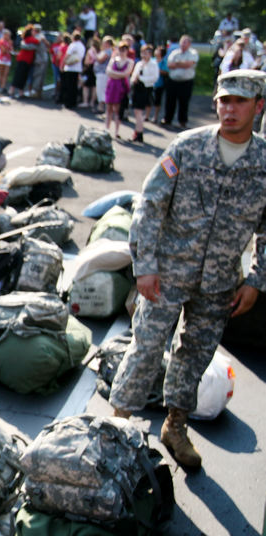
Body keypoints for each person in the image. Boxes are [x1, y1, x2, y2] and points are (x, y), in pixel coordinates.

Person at [109, 69, 266, 472]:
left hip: (218, 282)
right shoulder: (189, 146)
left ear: (259, 106)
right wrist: (144, 265)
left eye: (239, 101)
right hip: (166, 275)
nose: (229, 109)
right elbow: (150, 205)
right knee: (145, 349)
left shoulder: (264, 162)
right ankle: (116, 425)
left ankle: (175, 426)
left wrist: (256, 279)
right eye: (223, 100)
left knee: (194, 356)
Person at [162, 35, 198, 129]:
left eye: (185, 42)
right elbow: (169, 65)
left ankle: (182, 121)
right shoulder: (174, 53)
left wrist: (177, 63)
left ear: (189, 44)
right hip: (173, 81)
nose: (183, 44)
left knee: (184, 102)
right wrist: (182, 63)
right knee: (170, 101)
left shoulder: (193, 53)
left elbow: (189, 64)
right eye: (182, 42)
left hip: (186, 82)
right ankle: (167, 119)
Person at [129, 44, 158, 142]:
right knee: (137, 111)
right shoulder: (139, 64)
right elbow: (133, 75)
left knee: (139, 111)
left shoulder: (153, 64)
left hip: (145, 89)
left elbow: (154, 78)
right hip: (137, 88)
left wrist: (141, 79)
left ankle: (139, 131)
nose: (144, 55)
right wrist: (134, 80)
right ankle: (138, 131)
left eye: (146, 53)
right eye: (142, 53)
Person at [105, 41, 133, 138]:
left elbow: (126, 73)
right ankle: (107, 129)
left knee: (117, 109)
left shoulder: (130, 61)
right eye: (120, 50)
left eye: (124, 50)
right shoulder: (114, 60)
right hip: (112, 85)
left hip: (121, 87)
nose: (122, 52)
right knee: (108, 108)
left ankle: (116, 131)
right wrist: (118, 74)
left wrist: (114, 74)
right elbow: (108, 71)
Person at [10, 24, 37, 96]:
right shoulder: (29, 38)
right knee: (18, 75)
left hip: (28, 60)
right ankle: (12, 89)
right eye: (33, 31)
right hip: (23, 59)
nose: (35, 32)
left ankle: (20, 91)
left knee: (24, 76)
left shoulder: (28, 39)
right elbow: (37, 41)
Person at [60, 30, 85, 108]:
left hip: (70, 68)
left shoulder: (73, 45)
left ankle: (68, 102)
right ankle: (73, 102)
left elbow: (67, 55)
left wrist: (62, 64)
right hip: (77, 68)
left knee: (69, 86)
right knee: (74, 86)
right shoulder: (82, 46)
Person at [95, 35, 113, 112]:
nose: (102, 44)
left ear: (108, 43)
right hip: (100, 73)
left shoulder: (108, 51)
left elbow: (100, 60)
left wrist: (95, 54)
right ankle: (101, 106)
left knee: (101, 89)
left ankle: (101, 107)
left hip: (103, 73)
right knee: (100, 89)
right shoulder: (105, 51)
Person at [80, 36, 99, 108]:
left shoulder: (90, 50)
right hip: (96, 70)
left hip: (89, 69)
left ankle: (85, 101)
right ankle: (92, 102)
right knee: (94, 86)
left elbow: (87, 62)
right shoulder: (99, 51)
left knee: (86, 86)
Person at [0, 28, 13, 93]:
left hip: (8, 59)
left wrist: (9, 48)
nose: (8, 37)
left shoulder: (10, 41)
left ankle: (3, 86)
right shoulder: (1, 41)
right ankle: (1, 86)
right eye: (7, 35)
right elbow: (3, 51)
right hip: (2, 59)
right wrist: (8, 48)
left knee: (6, 74)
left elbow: (11, 50)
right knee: (1, 73)